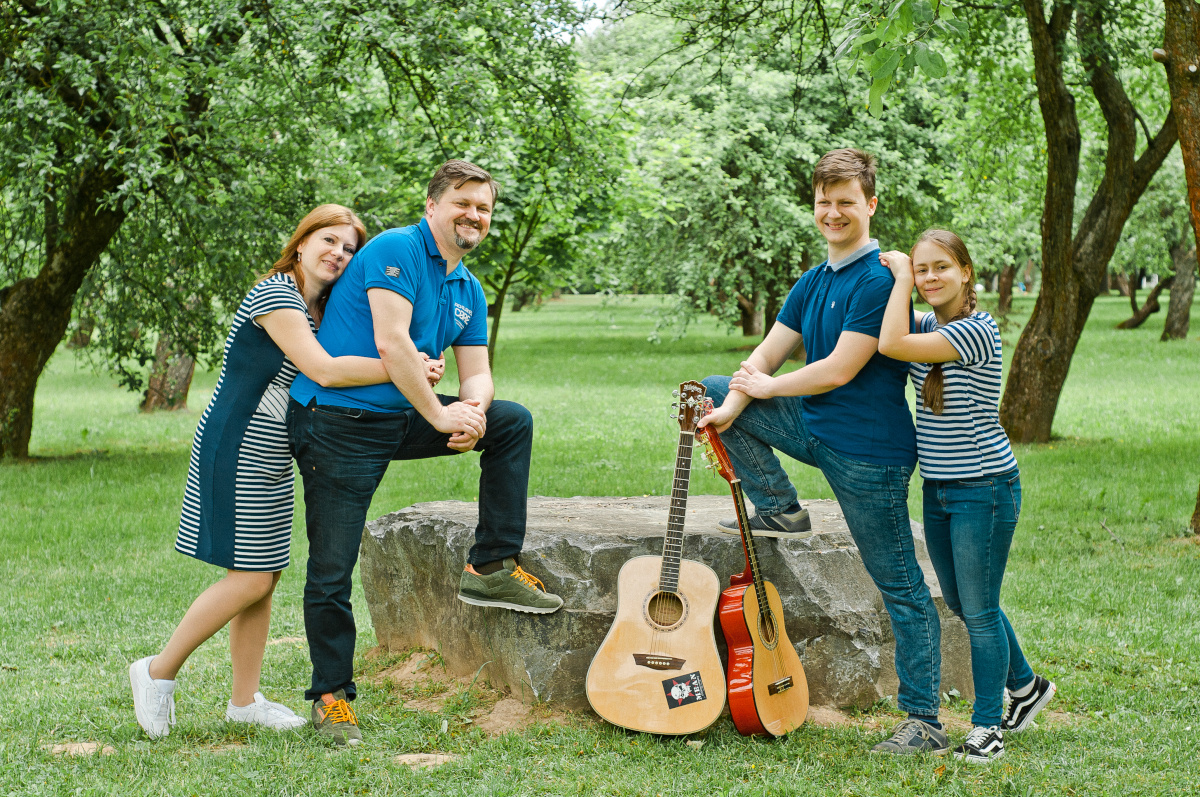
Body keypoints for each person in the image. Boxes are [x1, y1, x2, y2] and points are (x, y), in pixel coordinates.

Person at [287, 159, 563, 747]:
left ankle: (489, 566)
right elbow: (392, 343)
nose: (475, 215)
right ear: (433, 205)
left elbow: (478, 372)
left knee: (510, 421)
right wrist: (440, 415)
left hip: (399, 417)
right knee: (332, 567)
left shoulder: (468, 286)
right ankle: (331, 698)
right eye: (463, 202)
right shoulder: (396, 249)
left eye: (484, 207)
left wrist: (473, 412)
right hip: (337, 424)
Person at [698, 148, 948, 755]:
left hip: (869, 454)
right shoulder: (813, 280)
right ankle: (781, 505)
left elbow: (838, 370)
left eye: (845, 202)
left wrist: (764, 388)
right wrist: (734, 405)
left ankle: (924, 720)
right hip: (812, 427)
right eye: (823, 202)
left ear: (870, 204)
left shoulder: (879, 279)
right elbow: (768, 352)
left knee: (900, 584)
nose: (833, 213)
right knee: (709, 390)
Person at [129, 205, 402, 740]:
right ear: (300, 242)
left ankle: (245, 700)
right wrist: (405, 364)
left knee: (264, 574)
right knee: (251, 574)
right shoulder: (277, 294)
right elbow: (324, 371)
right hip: (240, 441)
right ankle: (157, 671)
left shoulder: (318, 307)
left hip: (275, 448)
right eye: (329, 240)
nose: (339, 254)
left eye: (349, 249)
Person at [878, 230, 1056, 763]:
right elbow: (880, 335)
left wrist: (903, 279)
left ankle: (987, 725)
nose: (930, 278)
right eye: (922, 269)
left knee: (978, 612)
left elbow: (891, 343)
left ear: (966, 273)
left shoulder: (978, 330)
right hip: (938, 487)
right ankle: (1026, 687)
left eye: (939, 268)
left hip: (984, 489)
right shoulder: (932, 323)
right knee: (962, 601)